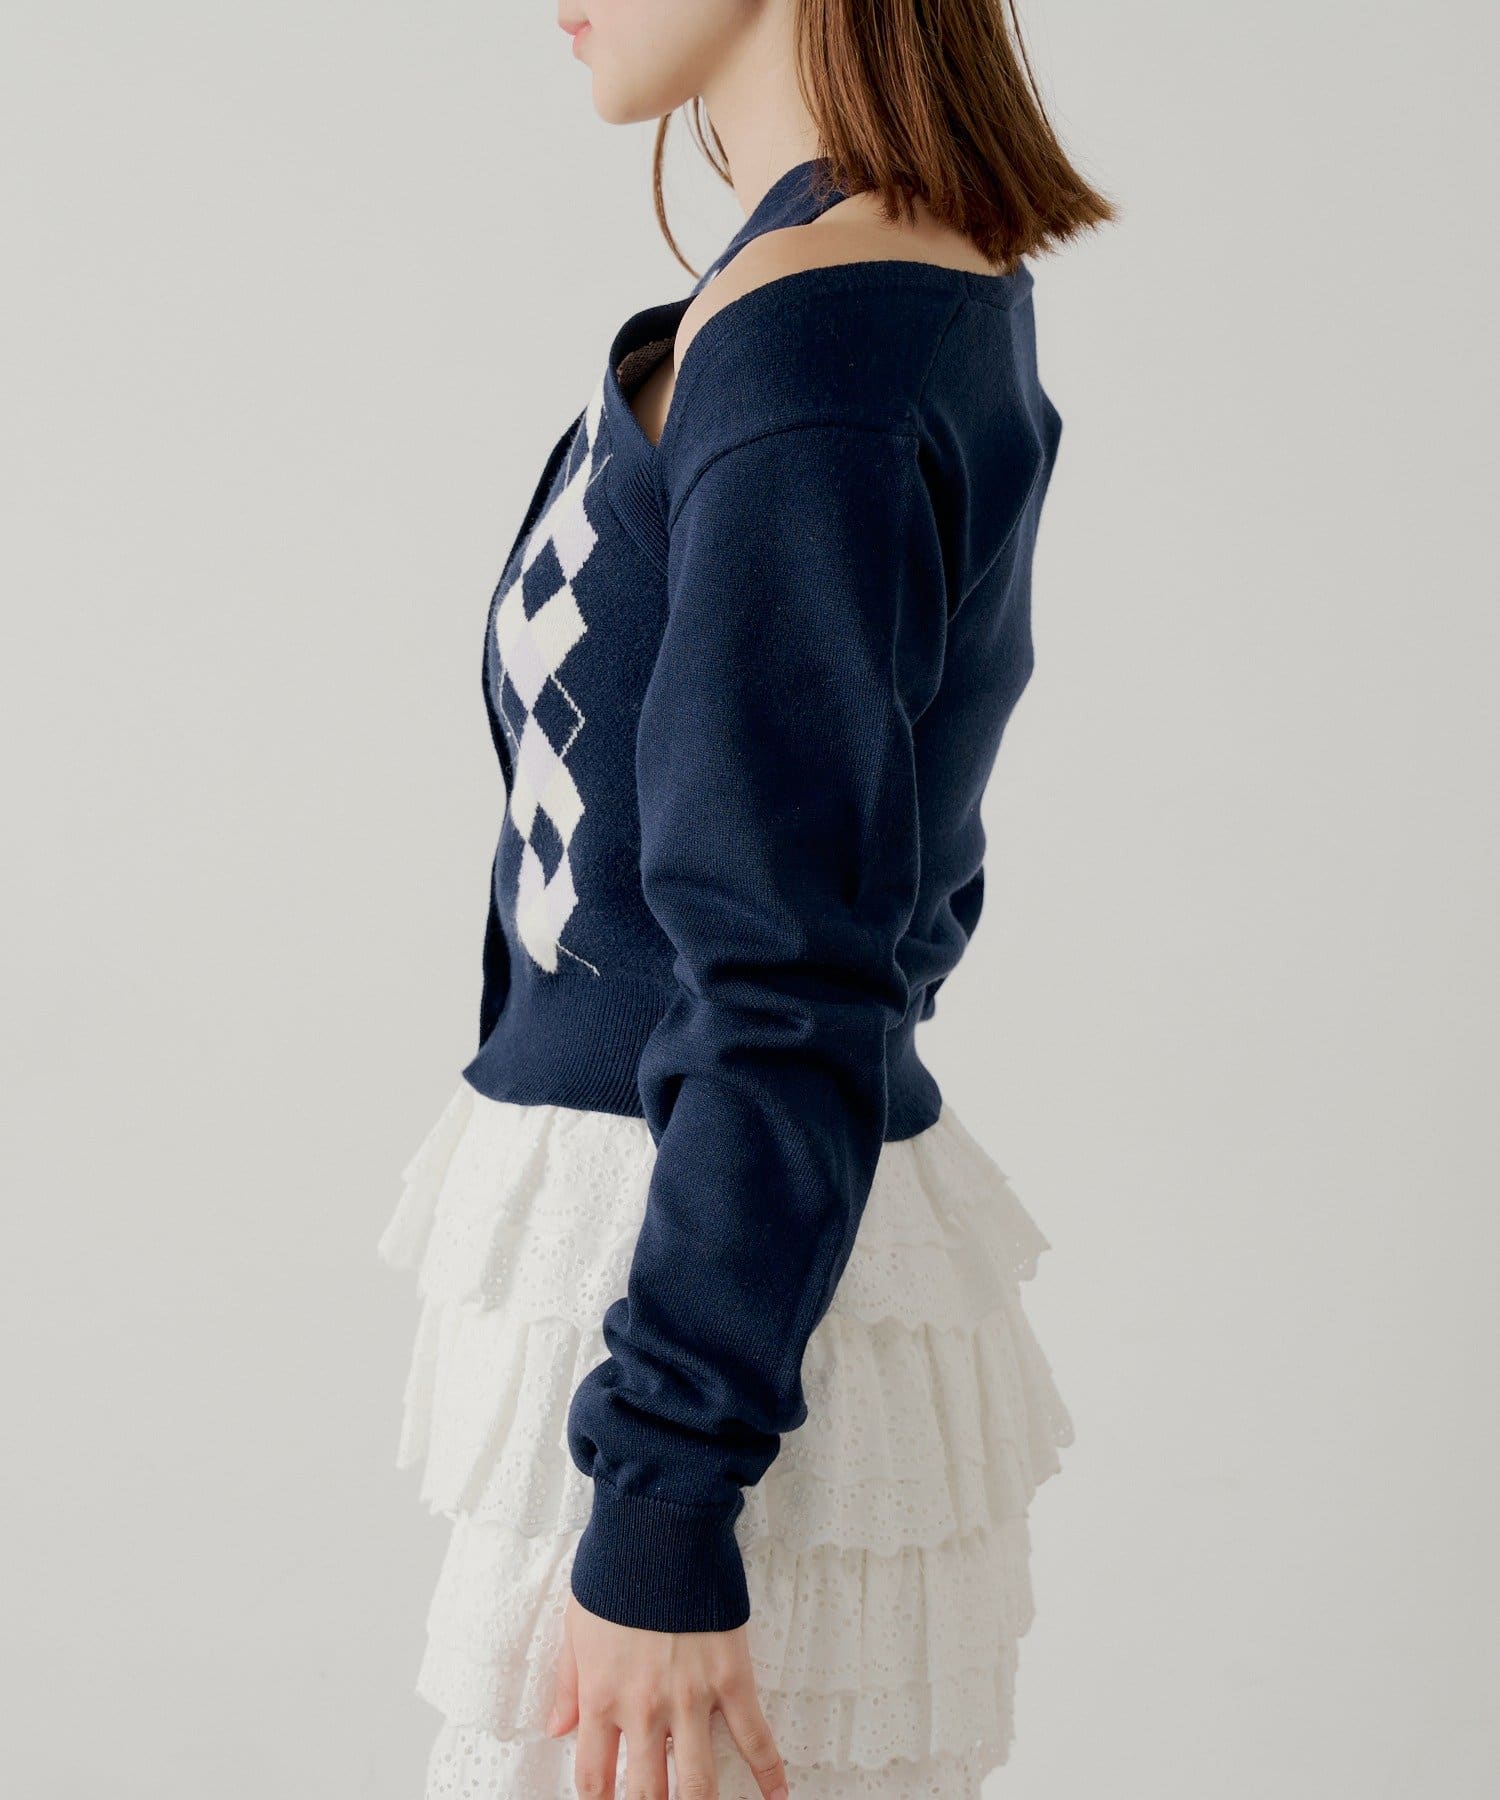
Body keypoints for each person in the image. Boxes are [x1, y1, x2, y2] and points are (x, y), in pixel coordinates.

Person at [379, 3, 1114, 1795]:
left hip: (692, 1322)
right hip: (696, 1284)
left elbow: (794, 966)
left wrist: (662, 1495)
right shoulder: (843, 290)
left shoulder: (812, 346)